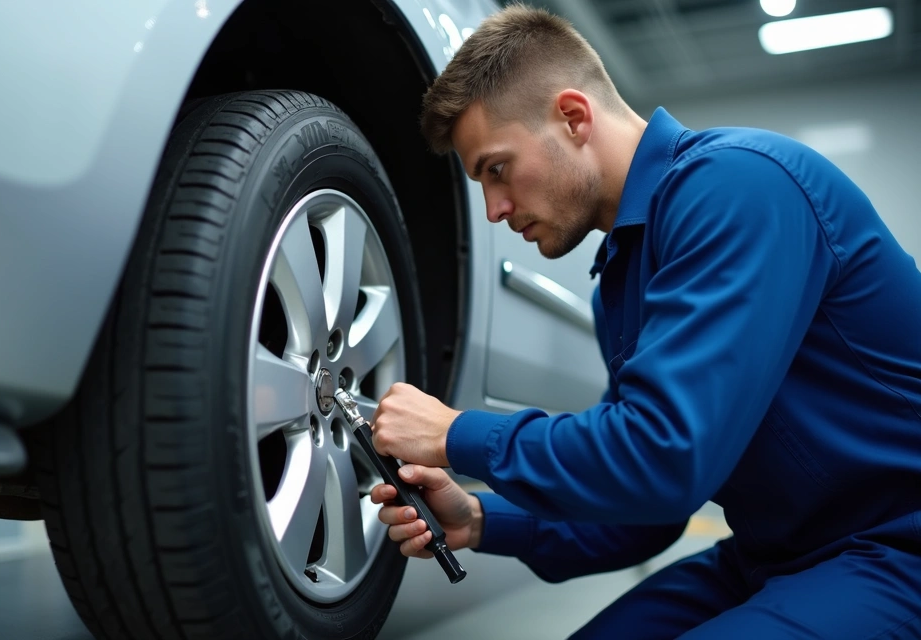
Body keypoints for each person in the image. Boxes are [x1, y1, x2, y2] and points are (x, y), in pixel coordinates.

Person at [367, 4, 921, 638]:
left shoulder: (737, 186)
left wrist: (456, 433)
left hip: (898, 546)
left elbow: (664, 456)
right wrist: (480, 519)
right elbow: (644, 513)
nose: (494, 209)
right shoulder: (622, 280)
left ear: (573, 117)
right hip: (775, 557)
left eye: (497, 169)